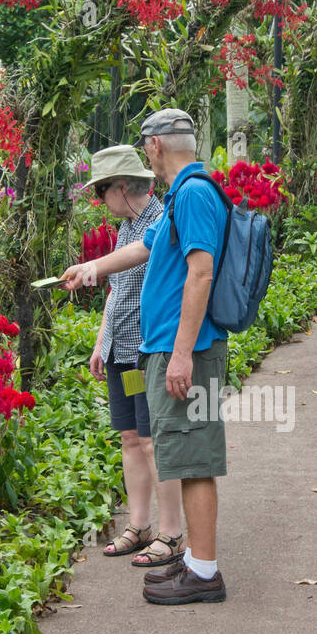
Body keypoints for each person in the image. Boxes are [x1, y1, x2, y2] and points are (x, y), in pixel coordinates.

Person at [61, 108, 229, 605]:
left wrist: (180, 355)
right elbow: (140, 252)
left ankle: (202, 572)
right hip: (164, 350)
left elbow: (201, 274)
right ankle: (197, 563)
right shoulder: (181, 196)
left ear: (154, 146)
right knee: (184, 455)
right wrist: (89, 267)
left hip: (188, 353)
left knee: (194, 459)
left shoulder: (193, 193)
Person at [85, 145, 185, 568]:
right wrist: (100, 341)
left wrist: (91, 267)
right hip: (121, 354)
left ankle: (172, 532)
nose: (99, 199)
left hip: (147, 353)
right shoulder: (126, 228)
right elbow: (117, 292)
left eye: (102, 189)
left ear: (123, 186)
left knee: (151, 441)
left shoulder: (158, 223)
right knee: (130, 438)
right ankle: (139, 525)